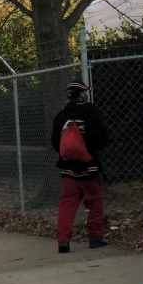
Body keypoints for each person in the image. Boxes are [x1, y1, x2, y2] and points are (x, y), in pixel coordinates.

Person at [49, 81, 109, 253]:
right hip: (89, 167)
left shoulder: (60, 116)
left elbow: (55, 142)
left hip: (68, 169)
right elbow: (101, 137)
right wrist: (91, 151)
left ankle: (63, 240)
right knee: (95, 201)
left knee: (67, 203)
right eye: (85, 92)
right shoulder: (90, 110)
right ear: (82, 94)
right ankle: (95, 237)